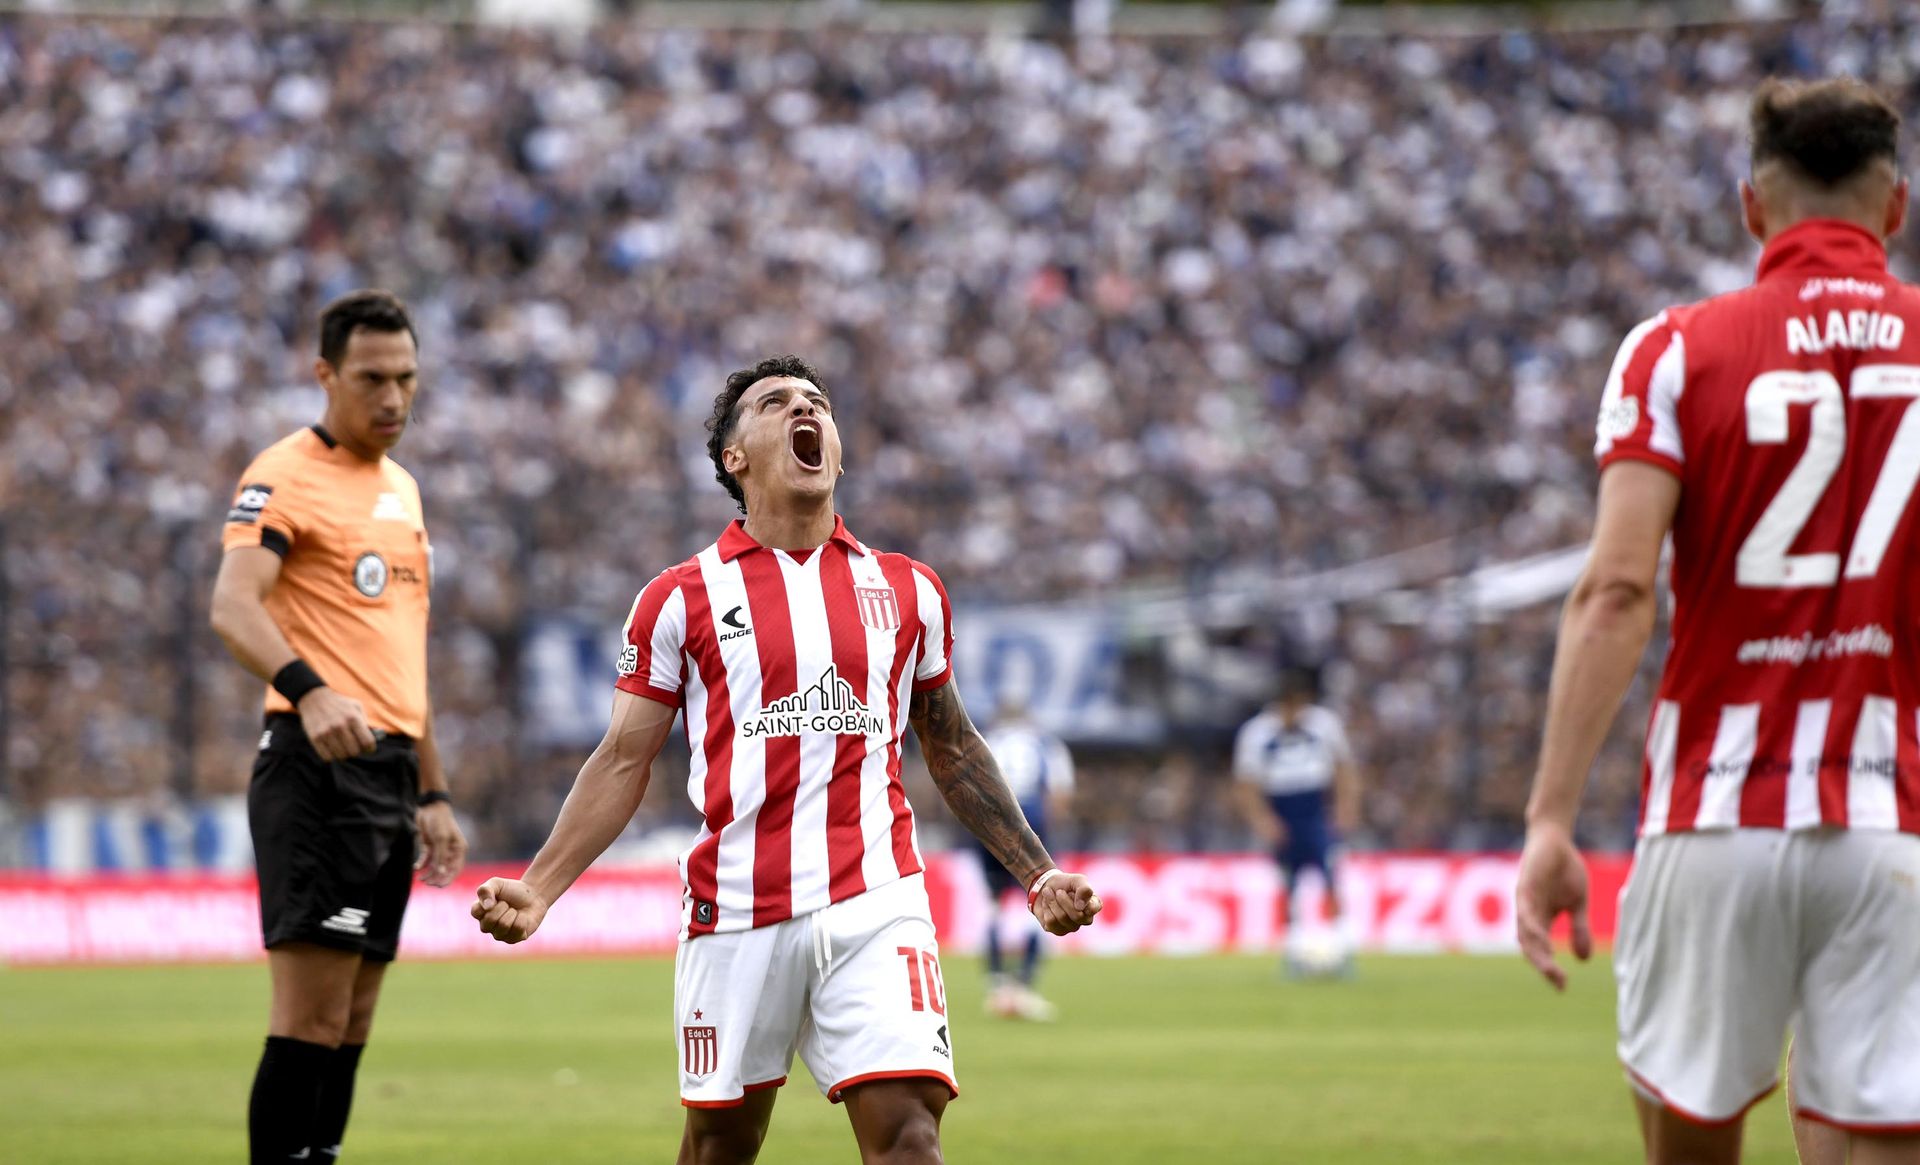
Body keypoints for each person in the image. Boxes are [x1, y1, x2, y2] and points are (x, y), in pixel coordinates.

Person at [470, 355, 1102, 1165]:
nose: (805, 409)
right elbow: (623, 758)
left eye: (818, 403)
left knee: (910, 1135)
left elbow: (950, 744)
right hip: (736, 909)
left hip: (877, 900)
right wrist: (540, 885)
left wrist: (1038, 873)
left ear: (834, 447)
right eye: (776, 404)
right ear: (735, 457)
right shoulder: (681, 596)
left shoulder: (908, 589)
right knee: (718, 1149)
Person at [1514, 78, 1920, 1165]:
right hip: (1893, 819)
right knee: (1879, 1137)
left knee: (1692, 1145)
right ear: (1897, 208)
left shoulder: (1675, 350)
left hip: (1712, 815)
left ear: (1752, 206)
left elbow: (1616, 591)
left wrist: (1551, 819)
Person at [209, 289, 467, 1163]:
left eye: (406, 379)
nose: (392, 398)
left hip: (390, 773)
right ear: (324, 374)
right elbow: (233, 607)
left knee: (353, 1017)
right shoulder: (282, 472)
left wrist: (431, 786)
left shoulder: (403, 489)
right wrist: (311, 691)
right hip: (316, 767)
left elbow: (406, 653)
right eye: (371, 379)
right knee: (311, 1014)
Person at [1231, 663, 1362, 976]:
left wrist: (1346, 807)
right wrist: (1263, 820)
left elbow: (1344, 768)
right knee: (1290, 886)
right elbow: (1246, 783)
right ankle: (1293, 954)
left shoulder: (1324, 724)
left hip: (1315, 809)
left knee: (1331, 878)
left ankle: (1343, 952)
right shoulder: (1257, 732)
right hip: (1282, 810)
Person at [974, 699, 1076, 1021]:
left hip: (988, 823)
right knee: (1038, 902)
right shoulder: (1045, 743)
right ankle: (1024, 986)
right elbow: (1059, 794)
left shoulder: (985, 738)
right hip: (1031, 823)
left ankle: (996, 985)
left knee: (994, 904)